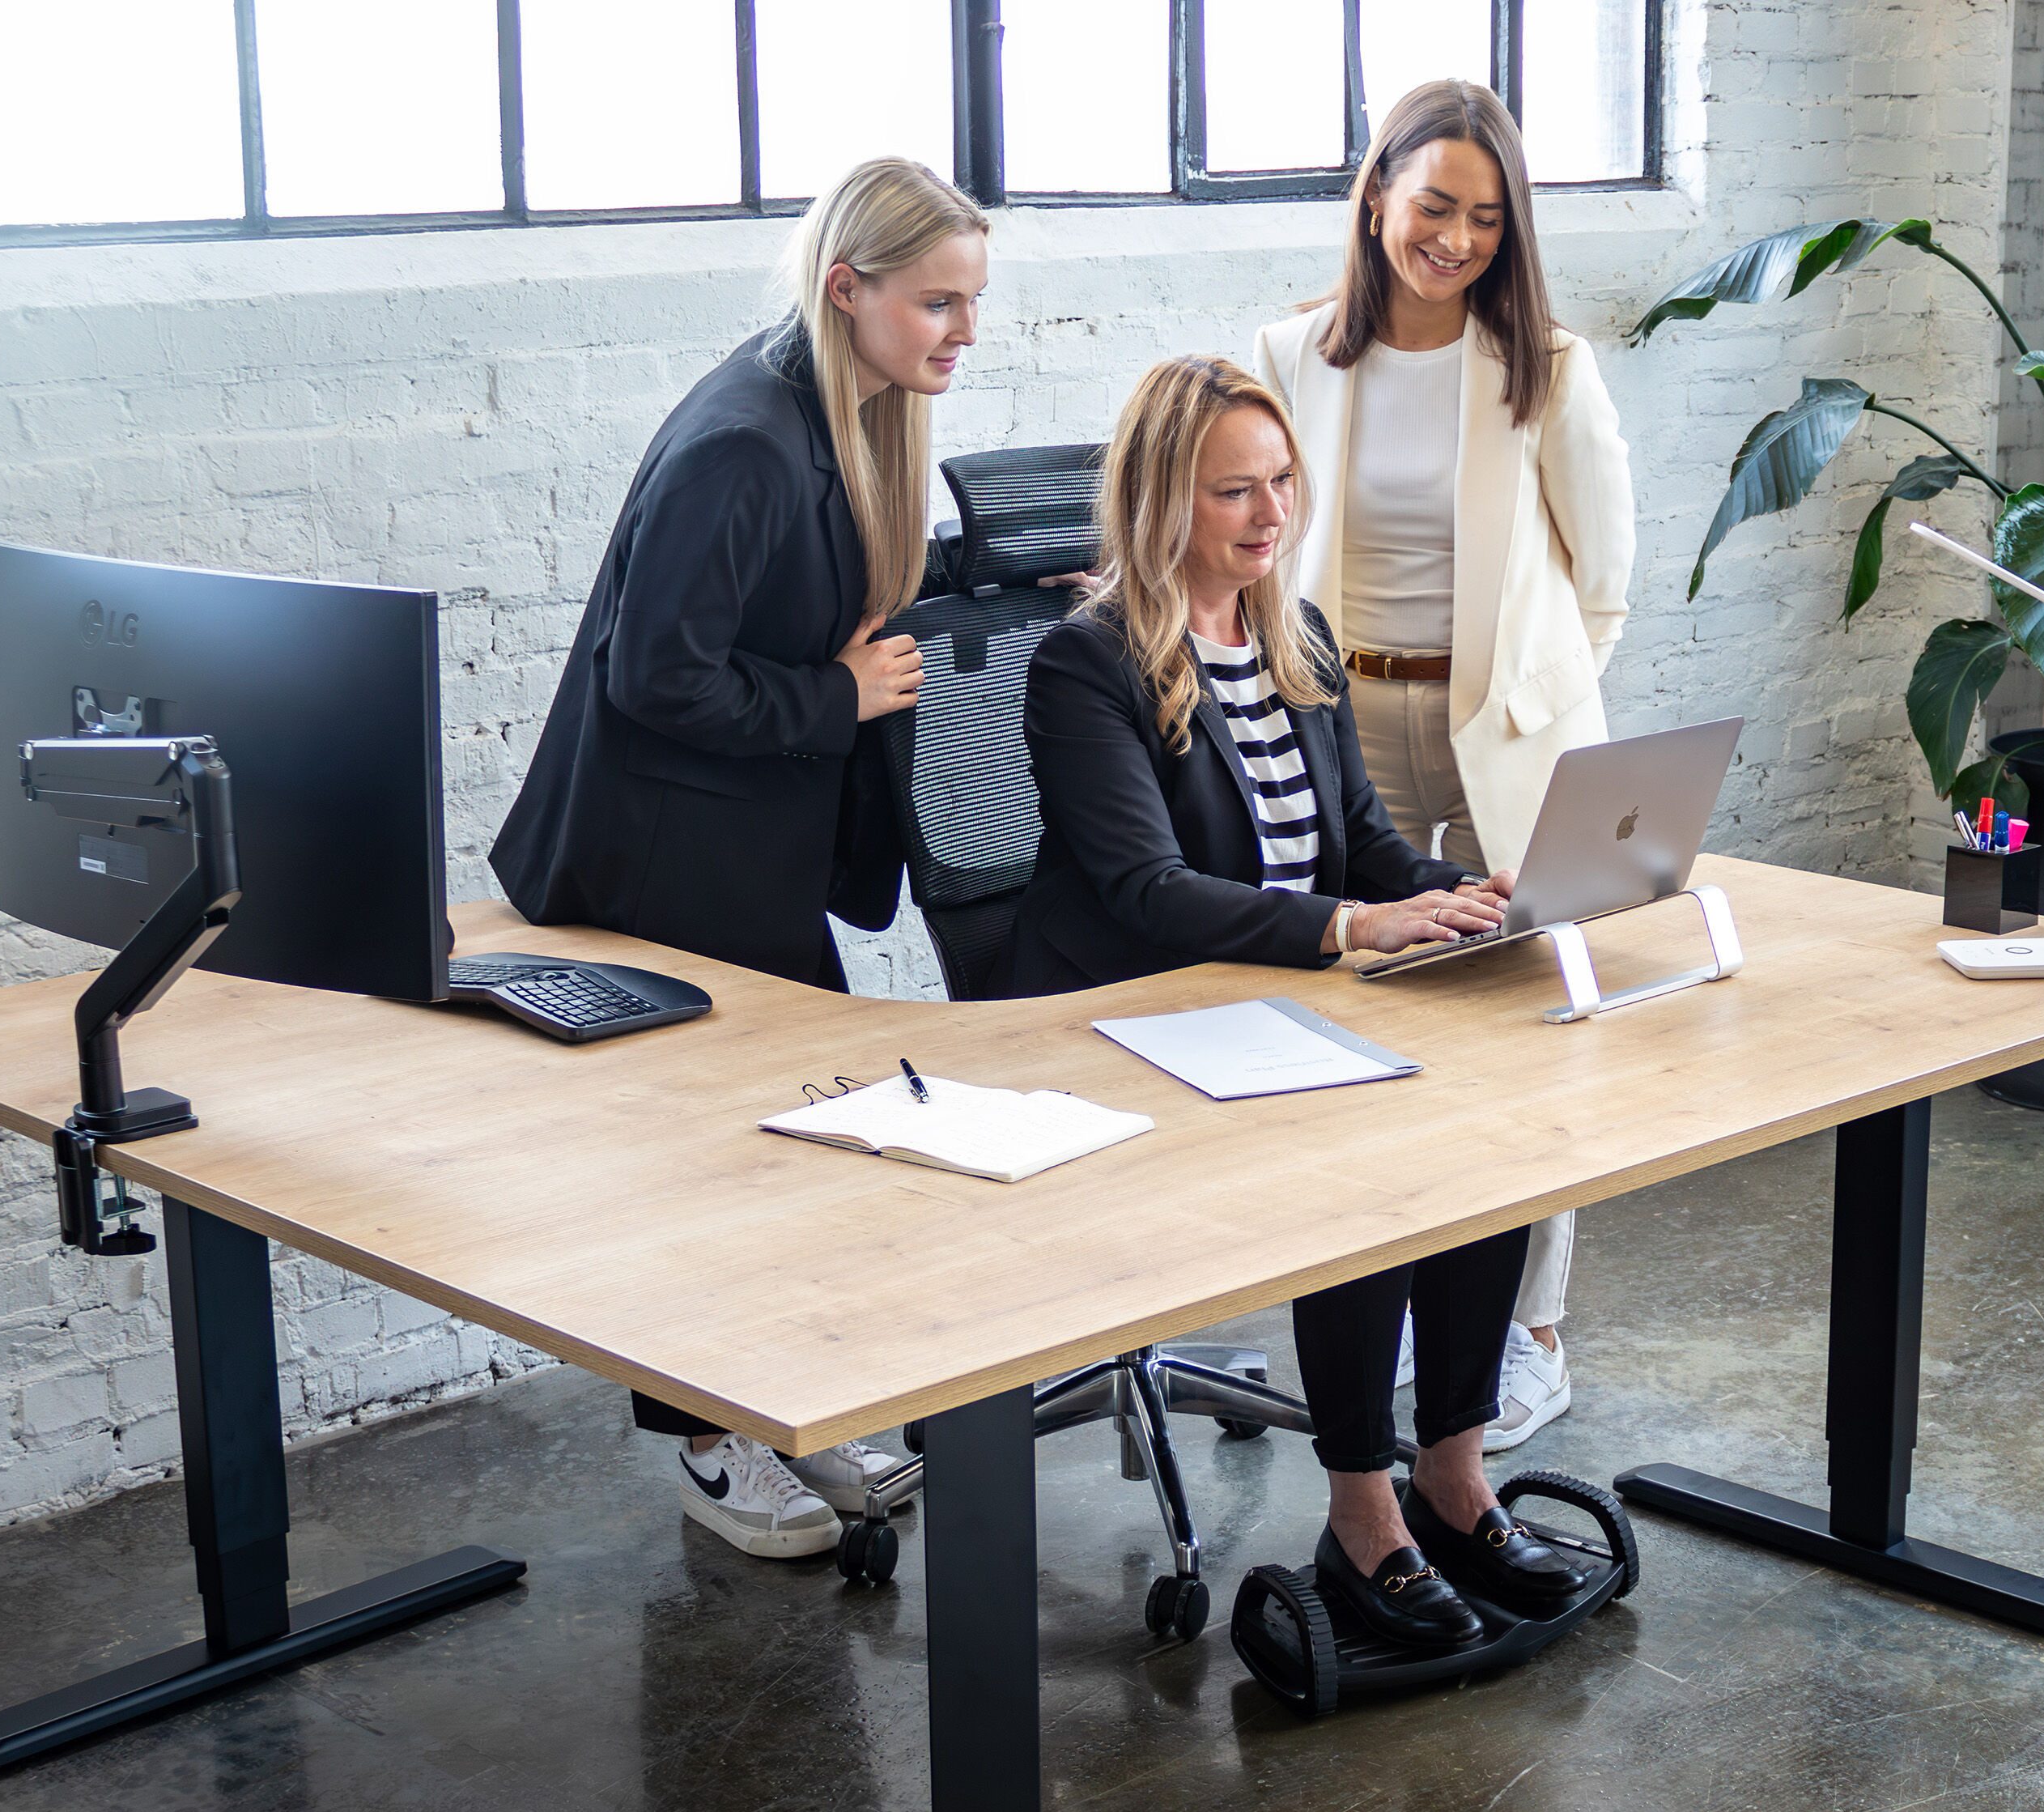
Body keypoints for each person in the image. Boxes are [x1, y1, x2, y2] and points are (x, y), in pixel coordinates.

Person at [1000, 355, 1592, 1648]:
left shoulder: (1295, 635)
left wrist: (1469, 895)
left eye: (1282, 484)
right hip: (1131, 1013)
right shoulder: (1083, 664)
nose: (1270, 517)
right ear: (1163, 502)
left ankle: (1455, 1476)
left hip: (1279, 1001)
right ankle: (1362, 1516)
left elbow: (1368, 845)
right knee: (1368, 1163)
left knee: (1480, 1135)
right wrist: (1349, 929)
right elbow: (1146, 892)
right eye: (1233, 494)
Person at [490, 159, 989, 1560]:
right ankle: (713, 1450)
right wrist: (834, 699)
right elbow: (654, 676)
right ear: (851, 291)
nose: (963, 333)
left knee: (766, 1153)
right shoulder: (742, 443)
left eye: (973, 304)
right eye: (939, 303)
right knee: (695, 1173)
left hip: (739, 853)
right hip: (657, 861)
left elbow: (817, 596)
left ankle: (774, 1417)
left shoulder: (843, 412)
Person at [1251, 80, 1636, 1454]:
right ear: (1376, 200)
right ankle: (1384, 1319)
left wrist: (1524, 693)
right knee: (1371, 1018)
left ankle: (1527, 1335)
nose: (1456, 238)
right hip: (1341, 726)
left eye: (1485, 217)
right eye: (1433, 207)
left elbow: (1604, 584)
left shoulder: (1548, 367)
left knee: (1529, 1023)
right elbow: (1262, 544)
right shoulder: (1294, 352)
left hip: (1504, 739)